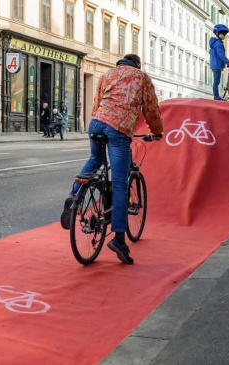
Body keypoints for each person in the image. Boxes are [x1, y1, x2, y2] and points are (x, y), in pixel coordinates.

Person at [60, 54, 163, 265]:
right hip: (119, 128)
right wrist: (157, 131)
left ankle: (74, 196)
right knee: (119, 185)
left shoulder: (107, 75)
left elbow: (97, 103)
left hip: (97, 124)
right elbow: (151, 109)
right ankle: (119, 239)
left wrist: (98, 123)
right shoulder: (141, 77)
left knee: (95, 159)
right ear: (137, 65)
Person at [209, 24, 229, 101]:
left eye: (225, 34)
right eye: (223, 33)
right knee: (216, 81)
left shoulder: (214, 43)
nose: (224, 35)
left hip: (215, 64)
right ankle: (216, 97)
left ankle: (217, 96)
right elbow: (221, 55)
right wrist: (228, 62)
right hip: (217, 65)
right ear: (217, 33)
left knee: (217, 81)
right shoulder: (218, 44)